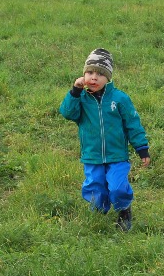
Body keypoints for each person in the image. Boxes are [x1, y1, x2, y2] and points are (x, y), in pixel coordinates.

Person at [59, 48, 151, 232]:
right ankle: (98, 214)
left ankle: (124, 210)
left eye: (100, 74)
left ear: (108, 78)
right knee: (95, 186)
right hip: (92, 155)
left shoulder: (119, 98)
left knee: (117, 187)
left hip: (117, 155)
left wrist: (142, 148)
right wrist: (75, 92)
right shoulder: (81, 99)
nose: (94, 78)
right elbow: (68, 113)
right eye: (90, 73)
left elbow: (133, 124)